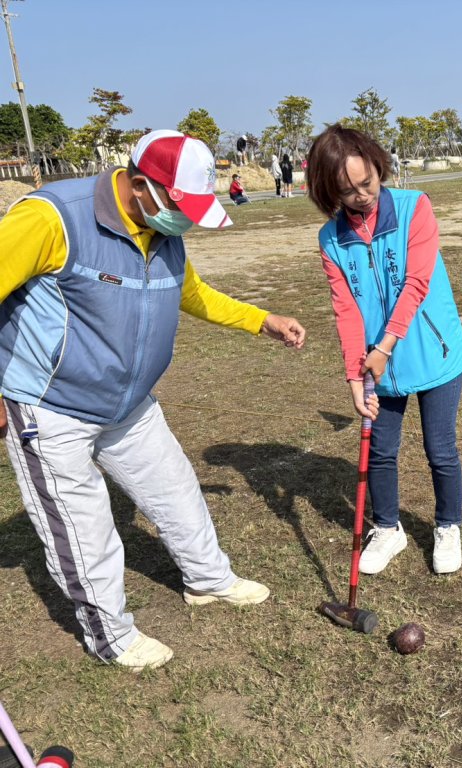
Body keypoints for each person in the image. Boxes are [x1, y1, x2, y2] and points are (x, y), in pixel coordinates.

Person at [0, 129, 307, 671]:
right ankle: (111, 636)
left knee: (175, 491)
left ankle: (209, 581)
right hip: (50, 407)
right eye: (180, 207)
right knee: (85, 528)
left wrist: (262, 321)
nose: (185, 221)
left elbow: (189, 293)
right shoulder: (51, 218)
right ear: (141, 186)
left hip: (130, 404)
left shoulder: (164, 233)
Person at [307, 127, 462, 576]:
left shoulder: (416, 207)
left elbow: (416, 283)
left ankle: (447, 526)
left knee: (440, 449)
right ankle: (387, 527)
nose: (361, 196)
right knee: (380, 450)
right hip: (379, 366)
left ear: (380, 167)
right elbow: (346, 311)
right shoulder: (331, 239)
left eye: (368, 183)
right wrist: (355, 374)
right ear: (328, 192)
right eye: (347, 191)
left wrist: (384, 346)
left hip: (433, 354)